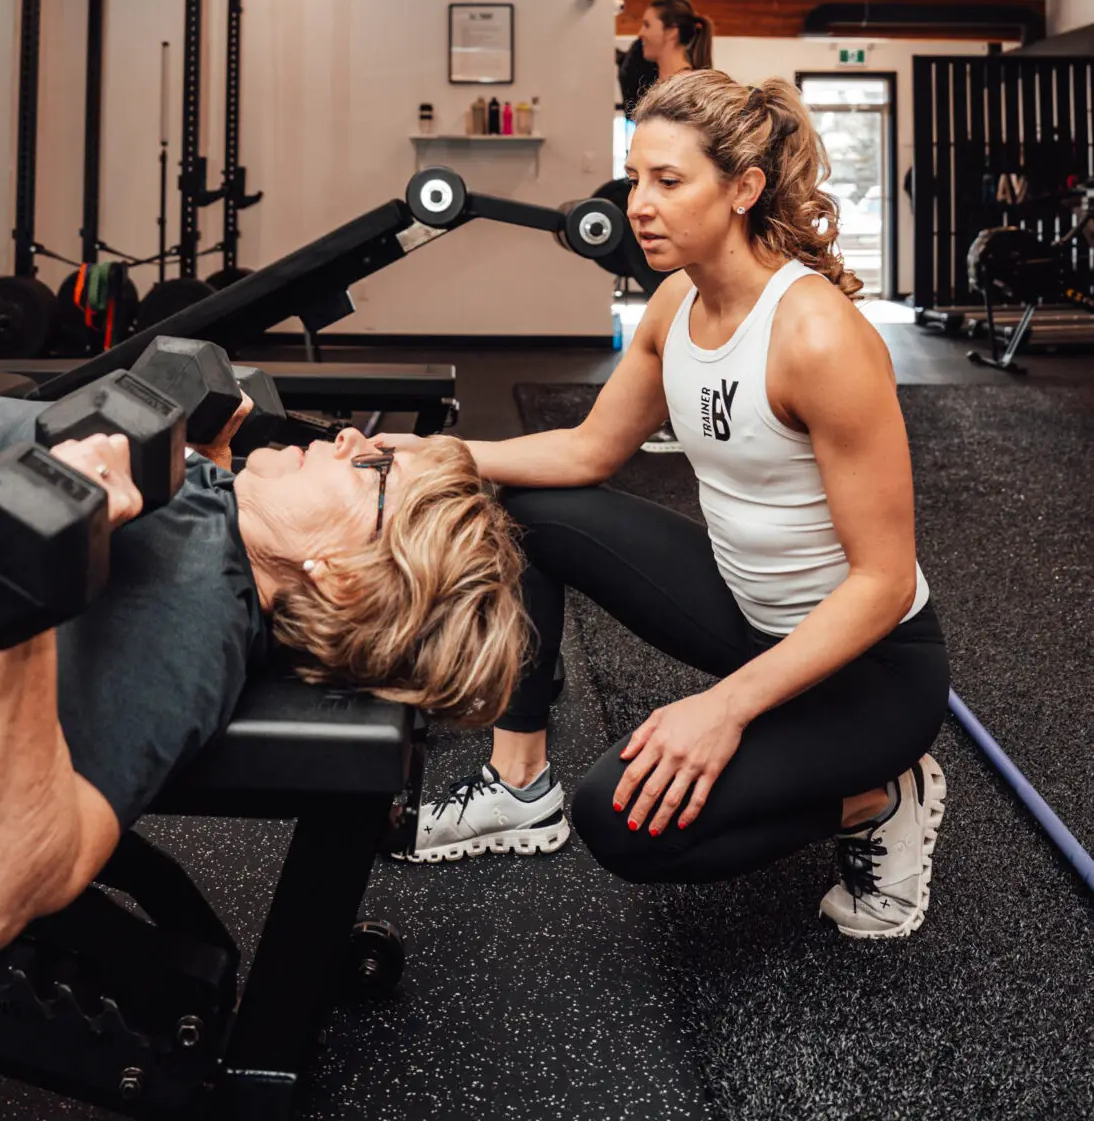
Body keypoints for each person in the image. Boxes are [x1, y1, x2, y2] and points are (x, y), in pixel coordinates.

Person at [391, 69, 950, 941]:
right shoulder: (676, 300)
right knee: (518, 505)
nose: (636, 204)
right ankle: (516, 784)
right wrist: (439, 455)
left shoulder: (817, 336)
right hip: (745, 610)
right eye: (635, 176)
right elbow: (587, 451)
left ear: (744, 189)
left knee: (621, 823)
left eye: (668, 181)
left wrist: (722, 708)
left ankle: (877, 798)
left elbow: (881, 582)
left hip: (871, 665)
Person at [0, 392, 525, 954]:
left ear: (344, 579)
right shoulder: (213, 524)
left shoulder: (189, 611)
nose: (349, 439)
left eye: (374, 467)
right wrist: (201, 462)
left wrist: (28, 594)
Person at [618, 0, 715, 112]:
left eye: (647, 25)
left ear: (671, 32)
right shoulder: (655, 84)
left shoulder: (687, 89)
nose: (641, 33)